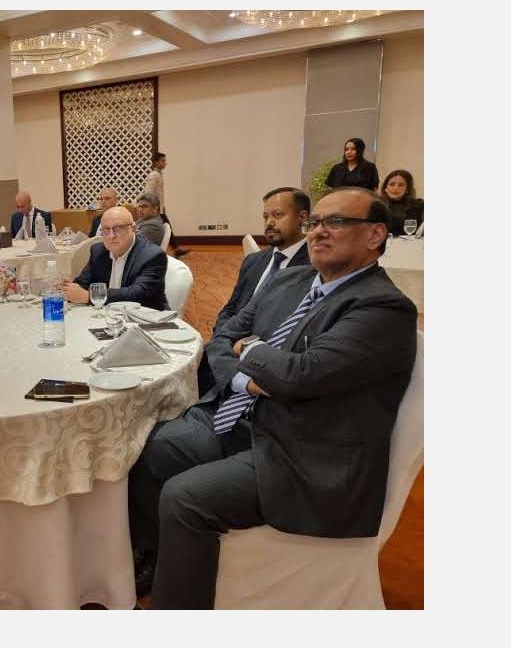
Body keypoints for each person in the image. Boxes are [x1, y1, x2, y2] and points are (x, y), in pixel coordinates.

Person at [128, 188, 417, 609]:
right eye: (315, 222)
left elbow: (298, 376)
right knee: (148, 447)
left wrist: (253, 349)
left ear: (375, 235)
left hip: (302, 453)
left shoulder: (383, 308)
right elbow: (223, 337)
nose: (318, 232)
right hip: (246, 415)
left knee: (184, 496)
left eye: (336, 222)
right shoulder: (292, 280)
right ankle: (154, 559)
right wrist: (244, 379)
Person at [197, 187, 313, 396]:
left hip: (266, 359)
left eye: (278, 215)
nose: (269, 223)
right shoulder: (254, 261)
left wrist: (245, 347)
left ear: (302, 218)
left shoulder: (314, 266)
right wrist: (222, 339)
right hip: (229, 345)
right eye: (265, 216)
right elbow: (231, 307)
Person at [62, 206, 168, 310]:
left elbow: (137, 293)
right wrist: (68, 288)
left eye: (118, 228)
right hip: (108, 315)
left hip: (146, 317)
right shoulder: (98, 251)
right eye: (106, 230)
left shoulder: (152, 256)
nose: (111, 236)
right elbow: (83, 284)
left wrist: (90, 296)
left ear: (133, 228)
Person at [142, 152, 189, 258]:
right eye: (162, 161)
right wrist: (155, 207)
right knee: (165, 228)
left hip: (159, 208)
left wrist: (162, 206)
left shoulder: (158, 174)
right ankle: (169, 249)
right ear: (156, 162)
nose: (165, 163)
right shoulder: (154, 175)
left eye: (165, 161)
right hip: (156, 209)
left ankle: (175, 249)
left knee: (167, 227)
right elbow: (149, 192)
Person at [379, 169, 424, 236]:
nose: (396, 188)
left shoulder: (418, 206)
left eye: (401, 185)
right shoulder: (377, 205)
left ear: (407, 189)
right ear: (385, 188)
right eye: (392, 184)